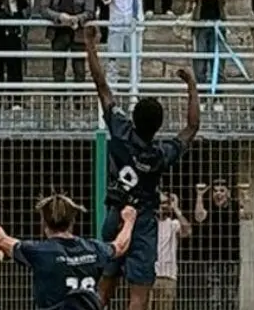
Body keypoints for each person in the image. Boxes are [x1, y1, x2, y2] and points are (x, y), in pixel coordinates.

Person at [85, 24, 202, 310]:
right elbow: (192, 126)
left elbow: (102, 86)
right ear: (159, 126)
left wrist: (89, 45)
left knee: (105, 285)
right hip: (143, 221)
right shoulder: (160, 154)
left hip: (116, 216)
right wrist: (191, 86)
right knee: (139, 295)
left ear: (134, 118)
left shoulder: (122, 132)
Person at [0, 196, 136, 310]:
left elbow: (1, 239)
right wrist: (129, 221)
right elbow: (120, 246)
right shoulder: (93, 248)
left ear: (44, 223)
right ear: (72, 221)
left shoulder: (39, 252)